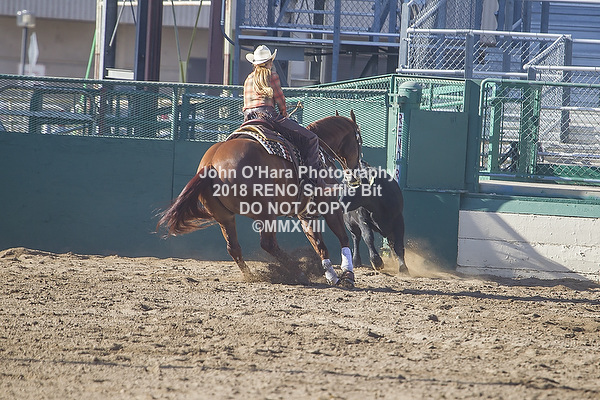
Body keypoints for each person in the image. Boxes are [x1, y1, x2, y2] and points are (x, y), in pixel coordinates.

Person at [242, 45, 334, 194]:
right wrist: (284, 113)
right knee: (311, 138)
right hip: (268, 116)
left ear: (255, 63)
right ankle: (314, 182)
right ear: (269, 62)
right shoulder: (272, 76)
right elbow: (280, 101)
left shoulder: (248, 79)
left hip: (248, 119)